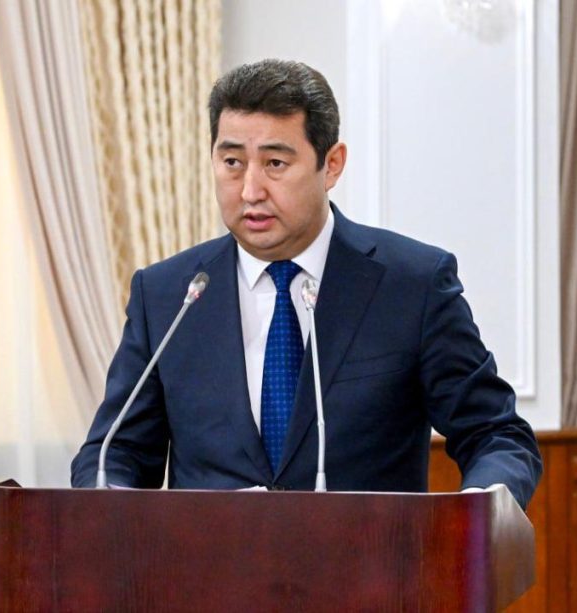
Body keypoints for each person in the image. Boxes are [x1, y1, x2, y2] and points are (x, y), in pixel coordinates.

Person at [71, 59, 542, 509]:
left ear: (331, 164)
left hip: (372, 565)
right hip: (209, 566)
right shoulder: (169, 295)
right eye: (232, 162)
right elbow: (117, 451)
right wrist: (107, 500)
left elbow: (494, 434)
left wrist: (479, 510)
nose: (250, 190)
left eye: (275, 163)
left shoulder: (412, 285)